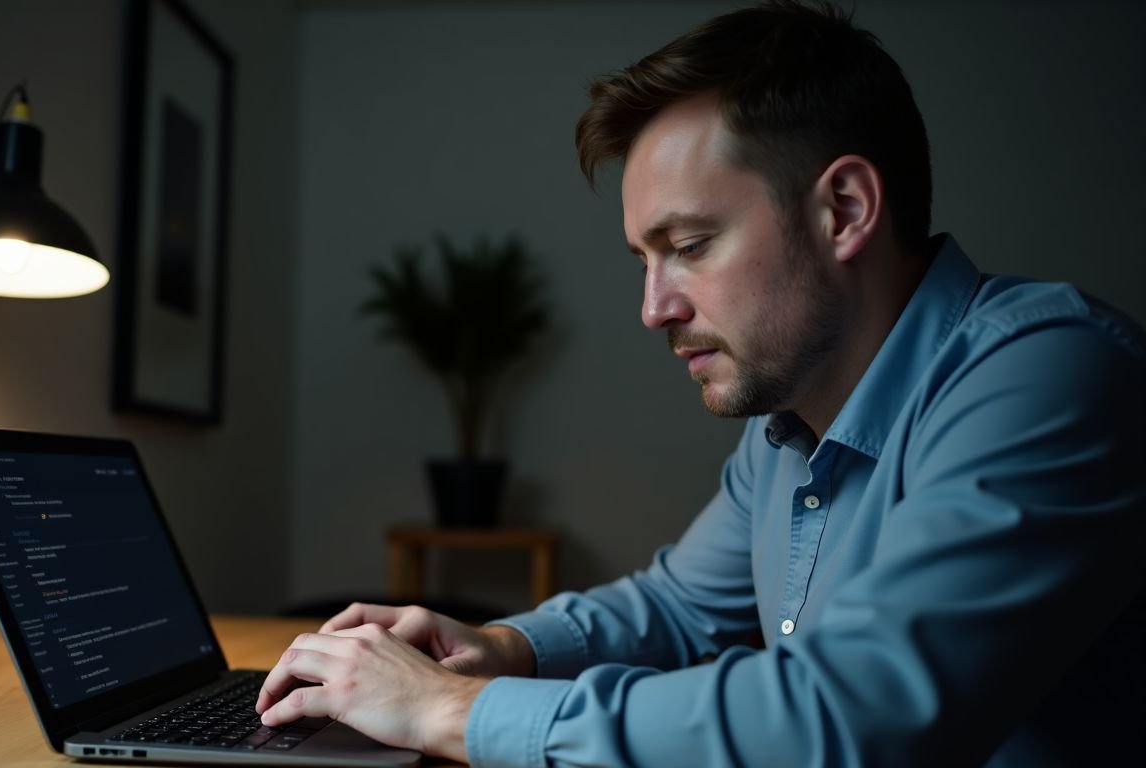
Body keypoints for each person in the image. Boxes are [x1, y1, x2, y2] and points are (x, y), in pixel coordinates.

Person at [256, 1, 1146, 765]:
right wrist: (501, 647)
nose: (653, 308)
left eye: (688, 247)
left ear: (844, 211)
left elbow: (852, 718)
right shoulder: (788, 427)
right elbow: (679, 607)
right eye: (645, 259)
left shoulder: (1051, 373)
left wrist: (450, 709)